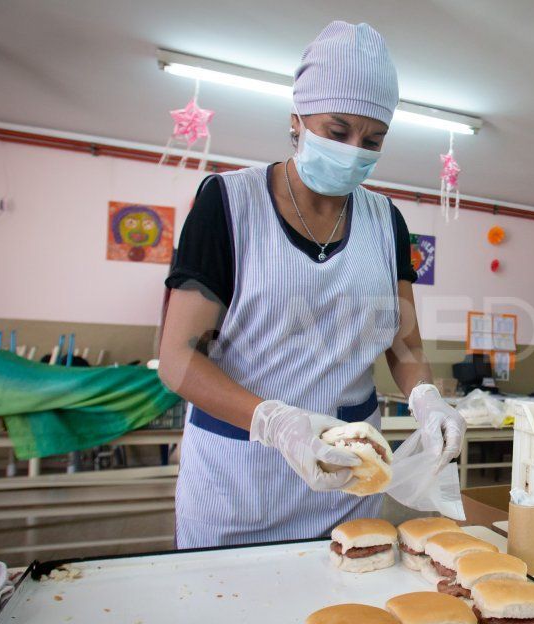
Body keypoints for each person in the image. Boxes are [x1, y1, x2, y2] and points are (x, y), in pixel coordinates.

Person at [158, 21, 466, 548]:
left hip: (350, 481)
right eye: (337, 130)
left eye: (372, 140)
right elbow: (178, 359)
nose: (353, 150)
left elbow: (404, 340)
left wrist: (427, 397)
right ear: (297, 119)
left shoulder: (384, 221)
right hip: (240, 482)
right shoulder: (228, 205)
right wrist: (276, 422)